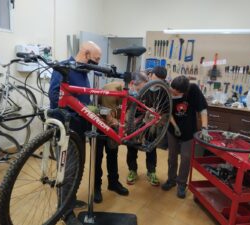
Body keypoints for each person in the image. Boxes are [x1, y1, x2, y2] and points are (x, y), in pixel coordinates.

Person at [48, 41, 101, 225]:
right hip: (66, 128)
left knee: (78, 167)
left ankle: (70, 199)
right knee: (67, 171)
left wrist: (90, 110)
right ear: (85, 54)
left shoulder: (84, 72)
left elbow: (82, 98)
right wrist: (79, 112)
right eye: (96, 59)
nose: (96, 64)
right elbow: (55, 96)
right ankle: (65, 212)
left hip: (80, 130)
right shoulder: (64, 68)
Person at [94, 71, 149, 203]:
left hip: (115, 125)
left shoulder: (131, 92)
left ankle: (113, 183)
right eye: (139, 89)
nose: (139, 93)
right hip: (100, 125)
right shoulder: (111, 89)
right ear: (131, 84)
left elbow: (130, 108)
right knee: (97, 157)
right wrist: (119, 126)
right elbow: (105, 113)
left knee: (113, 154)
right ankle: (96, 187)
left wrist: (125, 124)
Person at [161, 75, 212, 198]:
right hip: (173, 129)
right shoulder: (167, 90)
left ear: (184, 91)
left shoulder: (193, 90)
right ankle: (171, 180)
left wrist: (205, 129)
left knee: (186, 158)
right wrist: (176, 127)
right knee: (172, 156)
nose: (173, 92)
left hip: (189, 131)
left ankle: (182, 184)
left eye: (177, 92)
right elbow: (167, 112)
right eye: (173, 88)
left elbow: (203, 109)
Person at [126, 66, 167, 186]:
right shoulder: (140, 85)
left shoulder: (163, 91)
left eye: (161, 81)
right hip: (134, 121)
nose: (157, 83)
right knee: (131, 145)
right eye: (155, 78)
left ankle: (151, 171)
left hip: (152, 123)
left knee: (151, 146)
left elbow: (165, 110)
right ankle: (132, 170)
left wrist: (161, 119)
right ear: (150, 75)